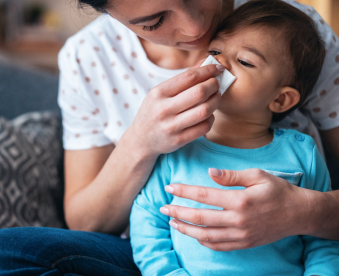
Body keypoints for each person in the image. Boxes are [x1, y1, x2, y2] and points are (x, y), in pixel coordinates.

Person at [0, 0, 339, 275]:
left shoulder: (290, 33)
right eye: (154, 21)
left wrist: (305, 212)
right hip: (156, 258)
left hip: (289, 259)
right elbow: (98, 222)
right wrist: (140, 143)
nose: (196, 30)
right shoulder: (88, 58)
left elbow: (324, 246)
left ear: (282, 98)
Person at [129, 1, 339, 275]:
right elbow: (147, 219)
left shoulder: (302, 155)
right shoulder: (178, 146)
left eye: (244, 61)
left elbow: (323, 242)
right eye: (215, 51)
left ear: (280, 99)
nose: (219, 64)